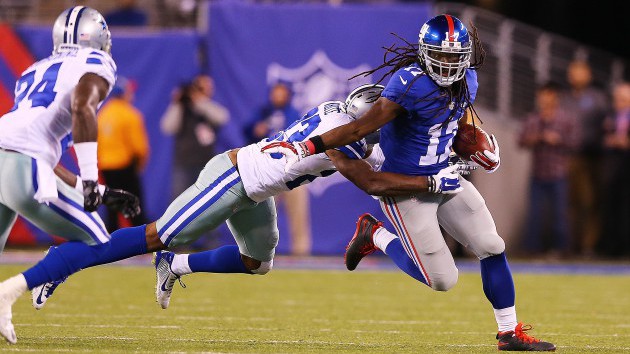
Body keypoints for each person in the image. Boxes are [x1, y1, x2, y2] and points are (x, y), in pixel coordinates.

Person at [0, 84, 468, 343]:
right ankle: (46, 270)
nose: (379, 131)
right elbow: (371, 178)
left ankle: (177, 265)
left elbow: (376, 154)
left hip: (257, 190)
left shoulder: (339, 115)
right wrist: (436, 179)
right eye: (376, 124)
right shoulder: (345, 137)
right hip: (234, 179)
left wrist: (452, 161)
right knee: (153, 235)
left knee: (257, 263)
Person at [262, 14, 556, 351]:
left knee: (492, 246)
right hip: (405, 187)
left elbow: (452, 122)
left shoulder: (469, 81)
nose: (447, 65)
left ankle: (508, 333)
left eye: (453, 57)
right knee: (443, 280)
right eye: (440, 56)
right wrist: (308, 145)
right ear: (425, 52)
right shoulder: (409, 83)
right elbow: (359, 130)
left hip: (445, 176)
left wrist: (478, 144)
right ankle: (375, 233)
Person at [0, 6, 140, 343]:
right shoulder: (97, 63)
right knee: (96, 239)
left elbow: (38, 145)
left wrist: (96, 189)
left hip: (9, 150)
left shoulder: (35, 69)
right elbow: (82, 106)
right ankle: (10, 291)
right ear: (99, 37)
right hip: (23, 161)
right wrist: (91, 177)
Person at [246, 82, 310, 256]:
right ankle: (257, 251)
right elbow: (247, 130)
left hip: (293, 170)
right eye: (276, 92)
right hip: (268, 171)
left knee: (298, 215)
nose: (278, 96)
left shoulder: (293, 113)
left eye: (281, 92)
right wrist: (255, 130)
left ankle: (301, 253)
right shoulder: (264, 112)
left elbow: (301, 137)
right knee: (263, 214)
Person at [519, 82, 578, 257]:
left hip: (558, 173)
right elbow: (521, 141)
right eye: (541, 96)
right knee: (535, 213)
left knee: (559, 214)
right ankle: (533, 249)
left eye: (548, 96)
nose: (544, 100)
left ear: (555, 97)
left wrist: (557, 140)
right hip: (538, 173)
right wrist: (538, 138)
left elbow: (575, 142)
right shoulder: (533, 119)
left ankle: (561, 249)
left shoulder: (565, 119)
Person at [561, 60, 608, 256]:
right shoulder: (565, 99)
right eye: (572, 72)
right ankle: (573, 244)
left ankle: (590, 245)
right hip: (569, 156)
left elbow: (605, 123)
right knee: (571, 202)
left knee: (589, 201)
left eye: (579, 72)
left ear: (588, 74)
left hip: (592, 157)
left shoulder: (597, 98)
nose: (575, 76)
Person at [160, 74, 229, 200]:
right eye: (200, 88)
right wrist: (176, 103)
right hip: (184, 165)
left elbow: (222, 118)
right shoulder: (181, 108)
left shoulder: (208, 107)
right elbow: (167, 127)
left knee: (210, 205)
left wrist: (199, 100)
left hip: (207, 165)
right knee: (179, 205)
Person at [97, 76, 150, 229]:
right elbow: (139, 148)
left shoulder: (103, 115)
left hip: (106, 167)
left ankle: (110, 241)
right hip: (126, 166)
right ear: (124, 93)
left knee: (112, 208)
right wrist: (139, 166)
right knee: (135, 206)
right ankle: (142, 239)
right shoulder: (130, 115)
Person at [598, 82, 630, 257]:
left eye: (624, 98)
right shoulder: (609, 116)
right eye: (618, 98)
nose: (620, 102)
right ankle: (612, 247)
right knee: (611, 207)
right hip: (612, 167)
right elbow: (598, 136)